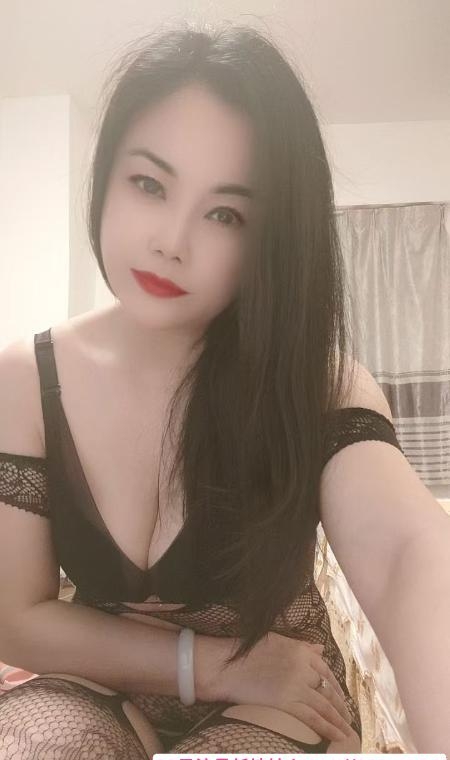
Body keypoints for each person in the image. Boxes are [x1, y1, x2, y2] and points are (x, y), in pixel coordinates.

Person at [0, 21, 448, 758]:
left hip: (284, 695)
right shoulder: (24, 378)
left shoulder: (317, 383)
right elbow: (16, 617)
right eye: (149, 183)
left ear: (269, 239)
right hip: (109, 677)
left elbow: (407, 552)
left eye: (225, 214)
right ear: (106, 174)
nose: (171, 240)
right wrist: (209, 664)